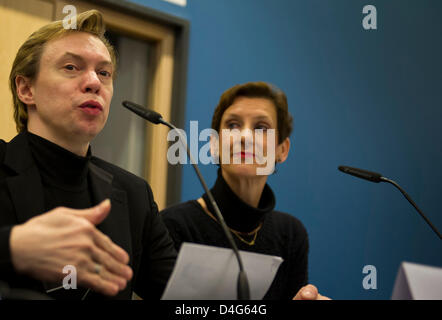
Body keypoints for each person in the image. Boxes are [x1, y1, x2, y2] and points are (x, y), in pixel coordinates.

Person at [0, 10, 176, 300]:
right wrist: (13, 248)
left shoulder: (134, 194)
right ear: (26, 89)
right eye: (71, 67)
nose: (94, 82)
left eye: (104, 73)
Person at [161, 82, 330, 300]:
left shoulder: (291, 234)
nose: (245, 137)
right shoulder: (173, 226)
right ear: (214, 145)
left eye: (261, 128)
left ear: (282, 149)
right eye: (232, 125)